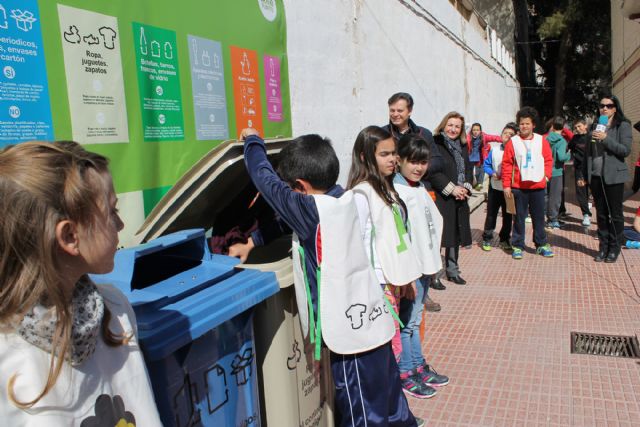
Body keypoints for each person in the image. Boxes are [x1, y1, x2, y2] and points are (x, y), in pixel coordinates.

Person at [241, 128, 422, 427]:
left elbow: (265, 180)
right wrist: (256, 240)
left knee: (361, 414)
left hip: (352, 339)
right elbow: (288, 224)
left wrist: (252, 141)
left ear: (299, 186)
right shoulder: (347, 199)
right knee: (391, 401)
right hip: (375, 323)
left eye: (291, 189)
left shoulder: (310, 210)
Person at [0, 141, 161, 425]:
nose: (121, 225)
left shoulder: (116, 309)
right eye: (112, 212)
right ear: (70, 237)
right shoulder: (8, 358)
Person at [393, 133, 449, 398]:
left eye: (422, 162)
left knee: (415, 321)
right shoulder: (398, 191)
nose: (418, 167)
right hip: (411, 270)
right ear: (399, 160)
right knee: (407, 323)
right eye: (412, 161)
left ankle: (417, 365)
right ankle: (406, 372)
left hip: (425, 266)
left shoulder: (417, 188)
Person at [382, 92, 447, 292]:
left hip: (420, 190)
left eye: (399, 110)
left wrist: (417, 169)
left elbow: (437, 161)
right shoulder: (384, 134)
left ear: (409, 111)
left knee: (425, 234)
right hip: (397, 190)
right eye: (392, 110)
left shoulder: (423, 134)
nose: (395, 114)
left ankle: (427, 280)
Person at [575, 95, 633, 263]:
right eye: (602, 106)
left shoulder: (623, 125)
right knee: (600, 214)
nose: (605, 108)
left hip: (614, 176)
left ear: (615, 108)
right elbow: (588, 153)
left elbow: (625, 150)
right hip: (596, 176)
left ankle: (614, 248)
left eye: (609, 105)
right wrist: (583, 175)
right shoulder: (595, 126)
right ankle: (603, 247)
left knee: (615, 215)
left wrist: (606, 139)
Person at [502, 106, 555, 259]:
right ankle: (517, 245)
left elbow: (548, 160)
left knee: (539, 217)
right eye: (521, 123)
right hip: (519, 187)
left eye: (527, 123)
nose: (524, 126)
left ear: (533, 125)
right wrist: (507, 185)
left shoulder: (541, 140)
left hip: (537, 187)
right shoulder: (513, 142)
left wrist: (546, 177)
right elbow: (507, 164)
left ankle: (541, 244)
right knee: (518, 218)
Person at [428, 112, 473, 284]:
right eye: (450, 125)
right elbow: (433, 171)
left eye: (457, 126)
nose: (453, 129)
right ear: (443, 125)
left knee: (455, 233)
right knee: (439, 236)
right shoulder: (435, 143)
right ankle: (435, 275)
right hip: (442, 196)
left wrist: (465, 187)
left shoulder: (462, 145)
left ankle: (452, 271)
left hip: (460, 196)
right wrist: (452, 189)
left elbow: (468, 168)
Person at [480, 122, 518, 251]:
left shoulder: (517, 151)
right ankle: (487, 238)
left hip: (509, 190)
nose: (507, 135)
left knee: (508, 216)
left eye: (511, 134)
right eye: (505, 133)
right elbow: (486, 165)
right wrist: (492, 173)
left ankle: (504, 239)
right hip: (495, 188)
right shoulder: (495, 150)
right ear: (501, 135)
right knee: (491, 214)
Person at [545, 117, 571, 229]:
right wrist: (569, 154)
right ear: (563, 127)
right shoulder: (561, 141)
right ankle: (553, 219)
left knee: (546, 196)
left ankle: (545, 217)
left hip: (545, 171)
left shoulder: (546, 139)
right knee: (555, 197)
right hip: (556, 171)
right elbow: (561, 157)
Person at [568, 119, 592, 226]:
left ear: (585, 126)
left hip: (592, 169)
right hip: (580, 170)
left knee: (595, 191)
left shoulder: (591, 137)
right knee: (581, 192)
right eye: (576, 127)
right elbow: (569, 148)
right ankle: (586, 214)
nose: (578, 129)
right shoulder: (575, 138)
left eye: (579, 126)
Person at [467, 122, 501, 190]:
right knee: (474, 173)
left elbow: (494, 138)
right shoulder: (468, 137)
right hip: (471, 157)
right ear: (471, 130)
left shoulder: (484, 136)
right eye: (474, 130)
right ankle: (474, 183)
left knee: (482, 171)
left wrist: (503, 139)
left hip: (481, 157)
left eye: (477, 130)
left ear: (480, 130)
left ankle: (480, 184)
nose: (475, 132)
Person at [623, 120, 640, 201]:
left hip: (638, 165)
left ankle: (615, 202)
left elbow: (636, 125)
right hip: (639, 165)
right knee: (634, 189)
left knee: (634, 189)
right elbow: (636, 125)